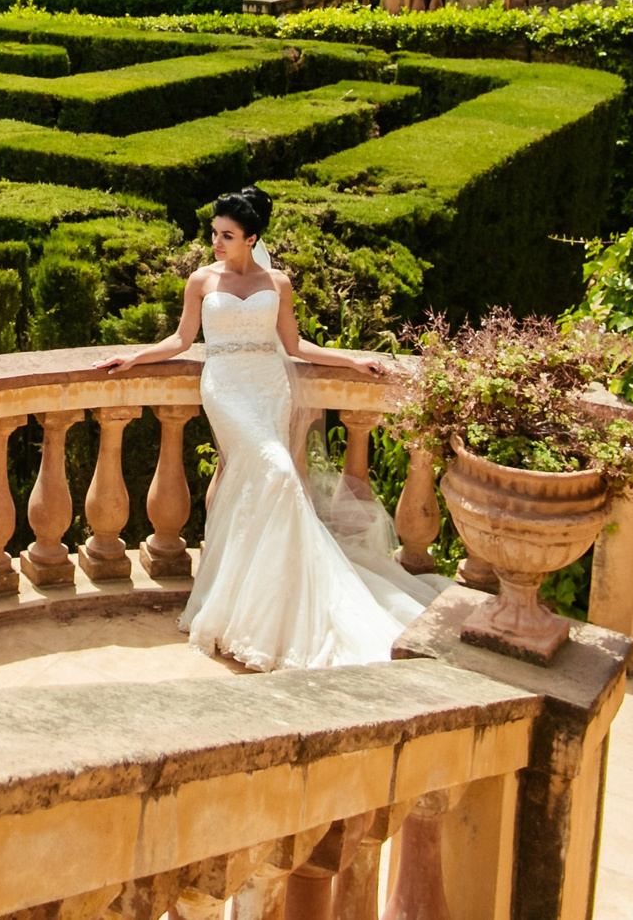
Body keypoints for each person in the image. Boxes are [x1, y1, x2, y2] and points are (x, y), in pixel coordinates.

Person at [94, 186, 445, 670]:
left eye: (227, 235)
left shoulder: (278, 282)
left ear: (252, 237)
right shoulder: (200, 280)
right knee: (277, 473)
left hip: (268, 386)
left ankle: (263, 600)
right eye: (215, 233)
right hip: (226, 388)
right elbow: (180, 338)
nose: (216, 243)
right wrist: (134, 356)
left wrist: (353, 360)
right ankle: (245, 600)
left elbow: (297, 345)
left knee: (259, 485)